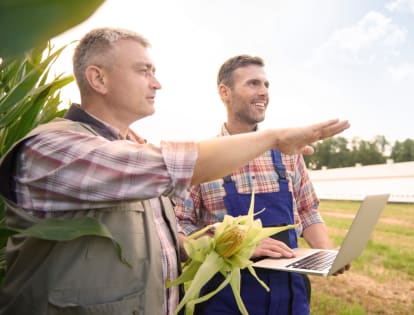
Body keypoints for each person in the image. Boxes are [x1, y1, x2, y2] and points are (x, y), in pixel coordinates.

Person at [0, 28, 349, 315]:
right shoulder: (53, 148)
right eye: (144, 71)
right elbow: (172, 167)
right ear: (99, 78)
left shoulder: (133, 148)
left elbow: (163, 242)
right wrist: (274, 138)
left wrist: (211, 243)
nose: (157, 83)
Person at [174, 54, 351, 315]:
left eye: (266, 85)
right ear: (225, 92)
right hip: (226, 298)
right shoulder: (203, 158)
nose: (263, 93)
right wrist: (237, 246)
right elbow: (178, 226)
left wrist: (327, 254)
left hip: (290, 294)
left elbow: (307, 211)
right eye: (253, 84)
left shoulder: (289, 153)